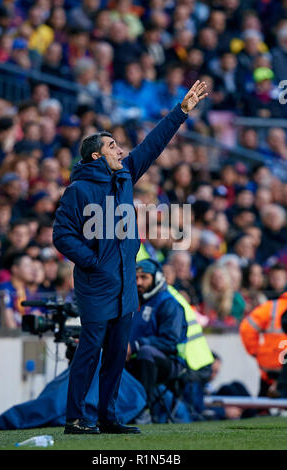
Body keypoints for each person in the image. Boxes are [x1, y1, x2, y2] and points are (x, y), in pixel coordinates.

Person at [52, 80, 208, 435]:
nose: (120, 151)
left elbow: (152, 145)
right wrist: (93, 260)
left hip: (125, 287)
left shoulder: (123, 178)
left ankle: (108, 416)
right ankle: (75, 419)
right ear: (95, 155)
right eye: (112, 146)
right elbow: (61, 236)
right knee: (89, 353)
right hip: (96, 286)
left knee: (116, 356)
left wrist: (180, 111)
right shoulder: (77, 190)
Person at [126, 259, 187, 423]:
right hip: (135, 359)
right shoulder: (132, 303)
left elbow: (169, 341)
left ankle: (143, 411)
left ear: (158, 277)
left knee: (146, 352)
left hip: (170, 362)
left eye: (144, 277)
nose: (138, 282)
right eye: (136, 278)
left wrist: (135, 346)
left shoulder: (168, 304)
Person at [240, 291, 287, 397]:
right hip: (275, 367)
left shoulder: (272, 306)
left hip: (270, 366)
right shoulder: (273, 307)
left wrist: (255, 352)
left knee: (263, 407)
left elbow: (247, 327)